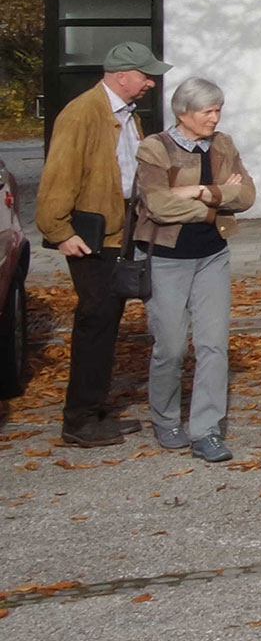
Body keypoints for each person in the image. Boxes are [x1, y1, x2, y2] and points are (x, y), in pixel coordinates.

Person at [36, 41, 170, 447]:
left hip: (119, 230)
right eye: (145, 75)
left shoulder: (124, 114)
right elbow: (59, 174)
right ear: (121, 75)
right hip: (91, 238)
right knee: (94, 323)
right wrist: (60, 231)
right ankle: (79, 420)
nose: (150, 83)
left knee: (106, 323)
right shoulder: (82, 113)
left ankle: (94, 411)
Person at [135, 77, 256, 462]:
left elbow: (247, 195)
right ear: (183, 112)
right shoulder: (155, 148)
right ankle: (166, 418)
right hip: (166, 258)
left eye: (218, 109)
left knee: (213, 345)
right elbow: (158, 206)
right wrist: (218, 199)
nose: (215, 117)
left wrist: (200, 191)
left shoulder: (223, 144)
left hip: (213, 255)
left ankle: (206, 430)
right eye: (208, 111)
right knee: (170, 347)